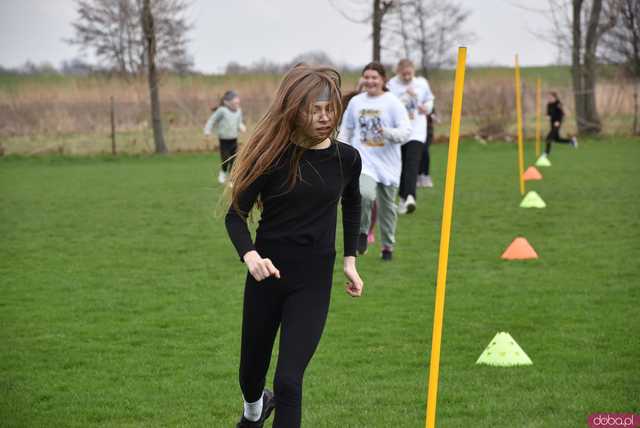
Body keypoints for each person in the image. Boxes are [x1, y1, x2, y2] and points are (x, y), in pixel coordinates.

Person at [225, 64, 364, 428]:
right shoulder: (270, 156)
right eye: (314, 110)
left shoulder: (346, 158)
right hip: (266, 277)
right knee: (251, 374)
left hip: (312, 281)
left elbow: (351, 201)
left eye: (329, 108)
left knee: (289, 379)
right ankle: (254, 412)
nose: (324, 117)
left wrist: (350, 259)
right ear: (294, 110)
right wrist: (250, 256)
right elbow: (235, 216)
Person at [339, 62, 411, 260]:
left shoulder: (392, 103)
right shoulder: (356, 103)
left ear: (383, 80)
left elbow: (405, 132)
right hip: (363, 161)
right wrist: (339, 151)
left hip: (388, 164)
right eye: (367, 77)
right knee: (365, 194)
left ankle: (387, 247)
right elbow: (346, 129)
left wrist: (387, 132)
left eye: (374, 77)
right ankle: (362, 232)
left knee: (388, 209)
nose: (370, 81)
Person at [387, 59, 435, 213]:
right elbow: (389, 106)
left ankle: (410, 197)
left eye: (410, 74)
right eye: (404, 74)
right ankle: (402, 198)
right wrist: (405, 97)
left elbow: (430, 100)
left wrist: (426, 107)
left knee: (412, 164)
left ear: (414, 71)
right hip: (399, 132)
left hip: (417, 131)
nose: (407, 77)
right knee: (400, 166)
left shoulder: (422, 83)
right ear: (398, 72)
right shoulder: (391, 85)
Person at [204, 90, 247, 184]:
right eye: (235, 101)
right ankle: (223, 173)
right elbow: (212, 120)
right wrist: (207, 131)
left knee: (234, 160)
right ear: (228, 102)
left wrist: (242, 127)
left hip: (234, 139)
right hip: (224, 140)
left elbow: (238, 122)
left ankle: (232, 180)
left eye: (237, 102)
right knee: (225, 160)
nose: (237, 103)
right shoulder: (222, 111)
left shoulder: (238, 111)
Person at [544, 91, 577, 156]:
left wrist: (558, 121)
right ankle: (571, 141)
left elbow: (562, 114)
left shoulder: (558, 104)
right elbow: (549, 114)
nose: (549, 98)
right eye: (548, 97)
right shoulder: (548, 104)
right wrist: (547, 116)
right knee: (556, 139)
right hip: (552, 123)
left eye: (550, 97)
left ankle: (546, 153)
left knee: (549, 138)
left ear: (555, 97)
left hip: (557, 123)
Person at [418, 108, 438, 188]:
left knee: (425, 152)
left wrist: (432, 116)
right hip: (417, 132)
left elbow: (434, 116)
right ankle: (418, 176)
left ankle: (426, 176)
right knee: (418, 153)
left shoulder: (429, 102)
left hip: (427, 132)